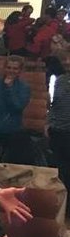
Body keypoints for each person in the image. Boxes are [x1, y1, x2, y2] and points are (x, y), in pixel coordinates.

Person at [48, 50, 70, 189]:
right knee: (60, 167)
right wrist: (48, 122)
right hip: (58, 130)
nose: (67, 62)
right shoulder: (60, 80)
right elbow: (53, 104)